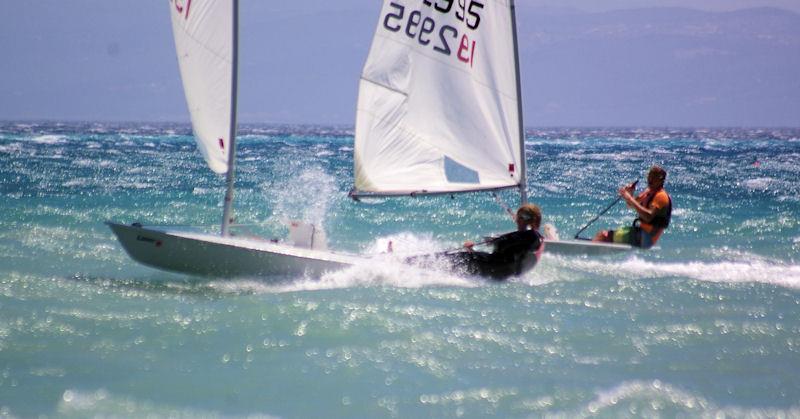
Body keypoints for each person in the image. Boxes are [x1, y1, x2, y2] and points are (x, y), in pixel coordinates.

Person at [448, 203, 545, 280]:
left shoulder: (530, 236)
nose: (519, 219)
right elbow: (507, 245)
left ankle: (435, 265)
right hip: (499, 267)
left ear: (532, 220)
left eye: (523, 217)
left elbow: (502, 245)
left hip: (496, 268)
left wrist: (494, 241)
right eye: (519, 216)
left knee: (459, 257)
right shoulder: (532, 236)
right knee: (462, 256)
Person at [593, 165, 672, 248]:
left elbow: (648, 217)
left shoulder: (661, 196)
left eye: (654, 178)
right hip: (640, 233)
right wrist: (630, 193)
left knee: (603, 235)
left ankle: (590, 254)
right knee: (604, 235)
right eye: (649, 176)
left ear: (661, 180)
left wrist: (629, 198)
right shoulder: (648, 192)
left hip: (646, 238)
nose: (650, 180)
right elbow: (630, 205)